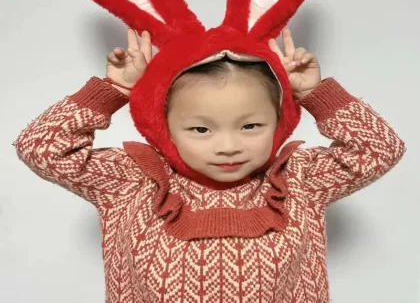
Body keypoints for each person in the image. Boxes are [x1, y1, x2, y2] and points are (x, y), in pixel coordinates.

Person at [13, 27, 405, 302]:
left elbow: (380, 148)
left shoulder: (299, 179)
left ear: (280, 120)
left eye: (250, 126)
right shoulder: (132, 181)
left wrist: (316, 94)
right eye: (201, 129)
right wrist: (112, 91)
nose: (228, 146)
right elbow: (41, 148)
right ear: (164, 126)